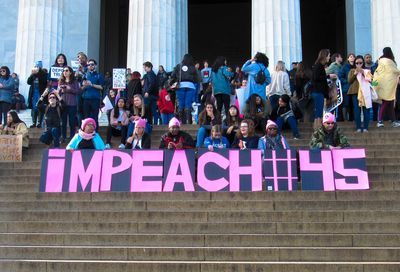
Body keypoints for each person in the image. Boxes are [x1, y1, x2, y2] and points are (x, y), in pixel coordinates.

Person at [373, 47, 400, 127]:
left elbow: (377, 72)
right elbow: (394, 71)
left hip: (382, 85)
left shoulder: (379, 60)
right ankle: (380, 121)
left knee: (390, 104)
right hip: (389, 86)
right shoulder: (389, 61)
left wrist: (374, 84)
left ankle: (393, 121)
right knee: (386, 103)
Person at [311, 49, 338, 129]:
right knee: (318, 113)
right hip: (318, 92)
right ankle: (318, 129)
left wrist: (328, 76)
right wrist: (328, 76)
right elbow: (316, 78)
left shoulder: (318, 65)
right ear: (325, 56)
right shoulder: (319, 66)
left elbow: (318, 77)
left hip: (318, 92)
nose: (329, 58)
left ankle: (318, 129)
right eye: (329, 55)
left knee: (318, 112)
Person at [170, 54, 198, 124]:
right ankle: (188, 122)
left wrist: (172, 83)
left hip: (180, 86)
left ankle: (181, 121)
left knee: (181, 103)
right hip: (190, 86)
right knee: (188, 104)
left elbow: (172, 76)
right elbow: (197, 78)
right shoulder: (193, 67)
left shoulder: (178, 66)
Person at [347, 55, 373, 132]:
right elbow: (349, 81)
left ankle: (365, 127)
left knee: (366, 110)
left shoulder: (367, 70)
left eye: (360, 63)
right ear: (354, 63)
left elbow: (372, 80)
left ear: (363, 63)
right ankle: (358, 127)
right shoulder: (352, 70)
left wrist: (363, 73)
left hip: (365, 92)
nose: (358, 64)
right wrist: (355, 73)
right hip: (355, 92)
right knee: (357, 110)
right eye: (357, 63)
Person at [58, 66, 80, 141]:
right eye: (64, 71)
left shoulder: (74, 81)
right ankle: (63, 137)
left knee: (72, 121)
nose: (65, 72)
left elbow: (77, 91)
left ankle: (72, 137)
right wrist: (60, 89)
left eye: (67, 70)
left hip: (72, 104)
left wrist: (70, 89)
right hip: (63, 104)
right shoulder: (61, 81)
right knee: (63, 121)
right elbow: (58, 93)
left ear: (70, 72)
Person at [81, 59, 104, 128]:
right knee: (86, 117)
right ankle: (85, 132)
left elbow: (101, 87)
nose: (90, 66)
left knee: (95, 117)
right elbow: (81, 88)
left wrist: (92, 85)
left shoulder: (99, 75)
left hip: (95, 99)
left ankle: (95, 132)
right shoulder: (84, 75)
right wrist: (84, 85)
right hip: (86, 98)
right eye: (89, 65)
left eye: (92, 64)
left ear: (95, 66)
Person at [27, 61, 48, 128]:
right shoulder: (33, 74)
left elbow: (44, 81)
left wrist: (38, 73)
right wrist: (32, 74)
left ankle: (39, 122)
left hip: (41, 93)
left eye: (38, 66)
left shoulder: (44, 74)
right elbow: (28, 82)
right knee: (34, 108)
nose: (36, 68)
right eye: (35, 66)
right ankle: (33, 122)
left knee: (40, 107)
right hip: (34, 93)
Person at [338, 53, 356, 121]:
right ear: (348, 58)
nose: (352, 58)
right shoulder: (344, 67)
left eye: (353, 56)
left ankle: (352, 119)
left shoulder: (356, 66)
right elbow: (340, 76)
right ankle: (345, 119)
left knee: (353, 105)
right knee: (346, 104)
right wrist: (347, 81)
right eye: (350, 57)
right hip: (346, 88)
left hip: (354, 88)